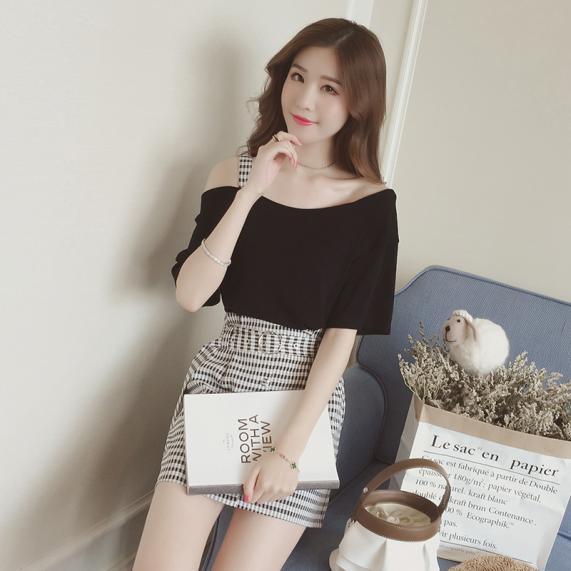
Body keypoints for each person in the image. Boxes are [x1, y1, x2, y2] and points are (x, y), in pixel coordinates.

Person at [133, 17, 399, 571]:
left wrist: (287, 453)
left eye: (329, 87)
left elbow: (340, 340)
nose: (305, 99)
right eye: (298, 77)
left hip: (304, 401)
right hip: (223, 375)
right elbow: (191, 295)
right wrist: (252, 190)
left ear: (358, 102)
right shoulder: (232, 174)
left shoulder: (371, 206)